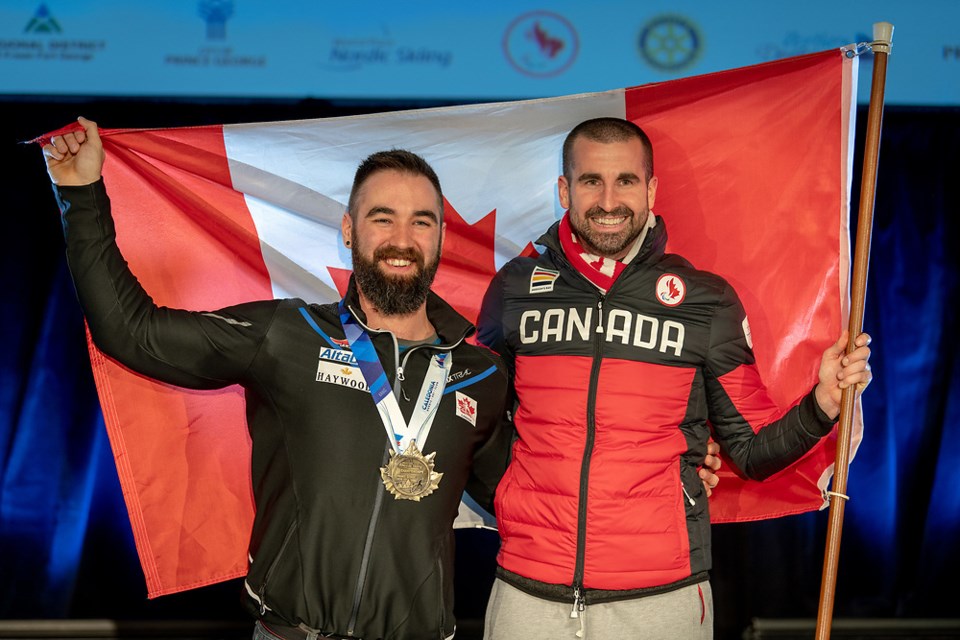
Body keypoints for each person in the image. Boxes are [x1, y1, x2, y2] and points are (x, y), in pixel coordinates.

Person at [42, 117, 515, 640]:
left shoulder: (480, 375)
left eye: (421, 222)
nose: (402, 239)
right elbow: (133, 333)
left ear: (442, 236)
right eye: (383, 218)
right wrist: (80, 194)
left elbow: (527, 502)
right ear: (349, 230)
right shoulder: (288, 334)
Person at [476, 117, 873, 640]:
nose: (609, 199)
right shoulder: (515, 288)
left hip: (662, 601)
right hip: (528, 593)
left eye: (627, 181)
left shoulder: (704, 300)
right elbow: (476, 422)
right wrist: (514, 494)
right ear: (564, 190)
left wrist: (822, 403)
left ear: (652, 190)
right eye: (592, 180)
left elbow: (751, 451)